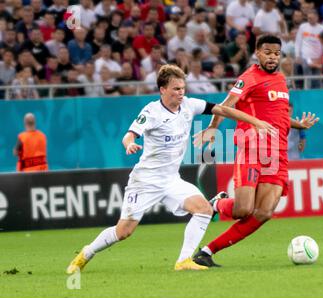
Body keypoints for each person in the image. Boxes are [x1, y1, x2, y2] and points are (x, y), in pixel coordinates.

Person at [66, 64, 276, 273]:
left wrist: (254, 121)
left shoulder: (189, 105)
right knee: (123, 231)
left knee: (203, 209)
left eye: (183, 88)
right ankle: (87, 253)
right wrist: (129, 144)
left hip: (171, 180)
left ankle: (184, 261)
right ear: (162, 90)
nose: (181, 92)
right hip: (145, 180)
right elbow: (129, 135)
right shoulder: (151, 111)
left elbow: (221, 109)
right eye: (176, 88)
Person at [191, 35, 318, 267]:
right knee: (242, 210)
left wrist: (299, 125)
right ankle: (217, 204)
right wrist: (212, 128)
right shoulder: (248, 78)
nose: (272, 57)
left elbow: (276, 116)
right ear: (257, 53)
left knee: (264, 212)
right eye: (267, 52)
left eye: (276, 53)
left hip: (278, 154)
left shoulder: (280, 79)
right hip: (253, 148)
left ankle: (207, 252)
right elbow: (225, 105)